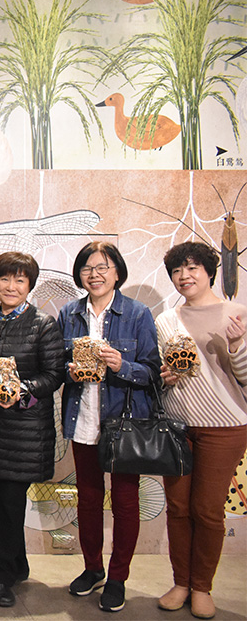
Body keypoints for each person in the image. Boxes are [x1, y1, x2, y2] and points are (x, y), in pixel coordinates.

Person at [0, 251, 64, 608]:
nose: (11, 286)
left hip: (25, 429)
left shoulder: (43, 324)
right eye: (5, 278)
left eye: (20, 280)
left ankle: (1, 576)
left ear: (30, 285)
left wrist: (21, 391)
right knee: (8, 502)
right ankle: (17, 565)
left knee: (8, 501)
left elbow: (54, 375)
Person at [57, 242, 160, 613]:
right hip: (83, 418)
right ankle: (93, 569)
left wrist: (121, 365)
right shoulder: (69, 313)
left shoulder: (137, 313)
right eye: (87, 267)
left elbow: (152, 372)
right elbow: (57, 365)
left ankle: (117, 578)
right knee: (87, 499)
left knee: (126, 502)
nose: (94, 274)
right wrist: (69, 371)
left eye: (103, 267)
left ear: (117, 272)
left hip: (123, 423)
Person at [155, 242, 247, 620]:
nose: (184, 276)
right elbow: (160, 376)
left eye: (192, 268)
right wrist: (164, 377)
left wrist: (238, 346)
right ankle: (181, 582)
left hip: (224, 426)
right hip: (177, 427)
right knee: (178, 509)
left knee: (207, 511)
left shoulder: (236, 314)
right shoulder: (165, 320)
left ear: (210, 272)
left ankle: (202, 587)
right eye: (177, 270)